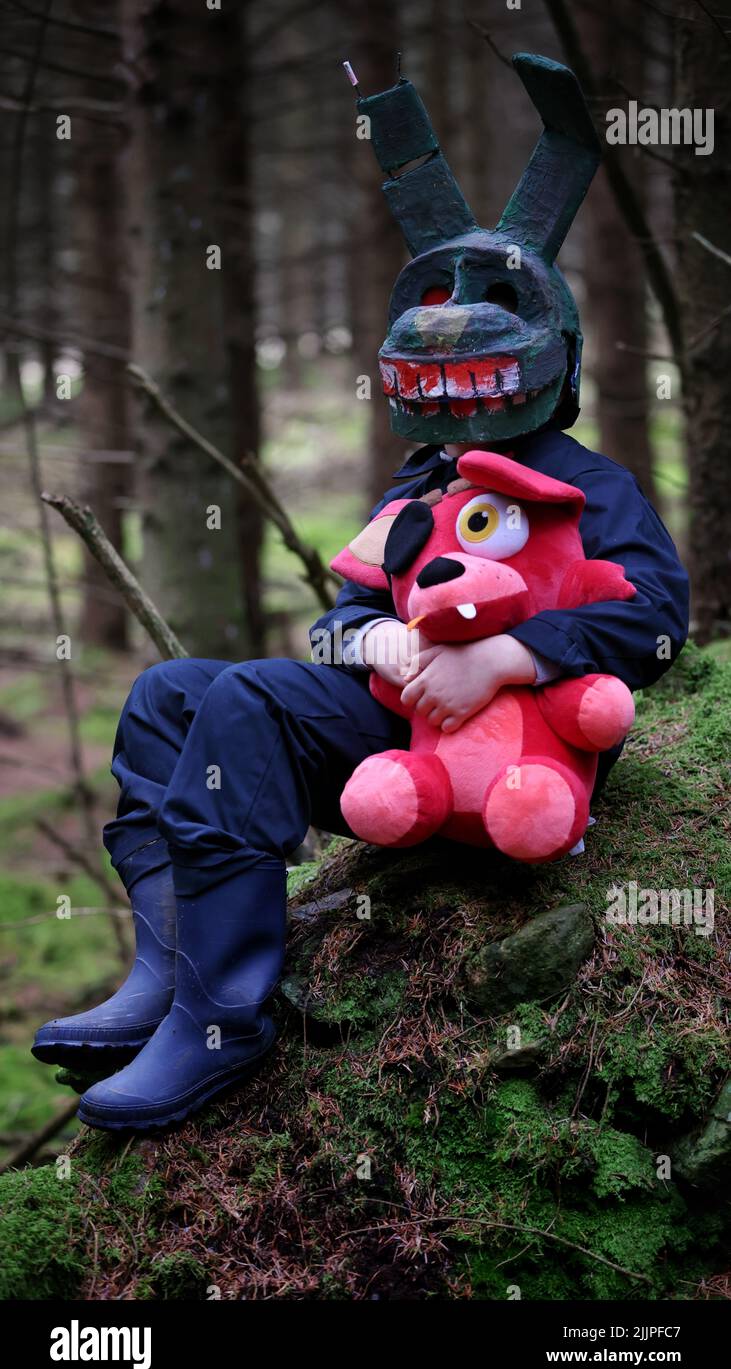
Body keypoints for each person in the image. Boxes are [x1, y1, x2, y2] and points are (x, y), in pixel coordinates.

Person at [32, 54, 689, 1131]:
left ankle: (224, 1017)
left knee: (240, 699)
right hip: (397, 724)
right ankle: (169, 972)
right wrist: (369, 641)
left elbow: (656, 617)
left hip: (521, 752)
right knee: (165, 695)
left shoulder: (587, 483)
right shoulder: (418, 482)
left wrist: (506, 655)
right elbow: (338, 612)